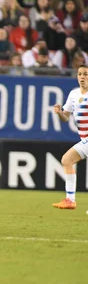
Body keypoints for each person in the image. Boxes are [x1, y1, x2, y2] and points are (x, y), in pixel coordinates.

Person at [52, 65, 88, 210]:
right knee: (67, 160)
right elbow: (66, 117)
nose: (82, 77)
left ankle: (70, 199)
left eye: (85, 74)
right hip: (85, 139)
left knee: (67, 159)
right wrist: (60, 112)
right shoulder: (74, 95)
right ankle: (70, 200)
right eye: (80, 74)